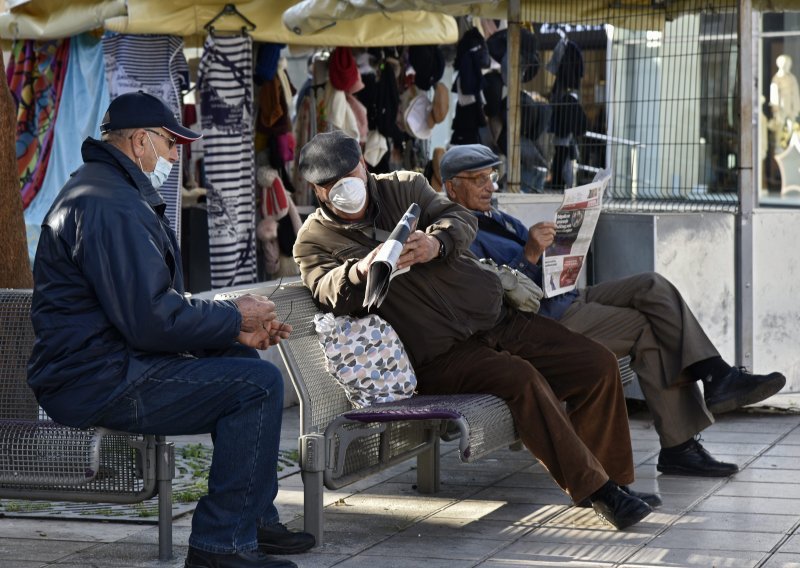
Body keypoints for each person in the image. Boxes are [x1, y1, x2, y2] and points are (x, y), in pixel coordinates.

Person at [293, 130, 658, 531]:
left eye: (350, 174)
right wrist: (359, 270)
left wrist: (437, 244)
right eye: (331, 185)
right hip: (439, 355)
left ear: (363, 163)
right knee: (521, 379)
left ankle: (616, 481)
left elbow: (462, 218)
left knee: (597, 363)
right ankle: (598, 492)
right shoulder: (313, 239)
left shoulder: (403, 185)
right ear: (318, 190)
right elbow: (326, 289)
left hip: (494, 317)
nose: (345, 188)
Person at [27, 91, 314, 568]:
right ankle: (220, 547)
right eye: (171, 143)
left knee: (244, 364)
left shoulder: (110, 190)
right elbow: (150, 321)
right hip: (94, 380)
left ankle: (251, 519)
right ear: (141, 141)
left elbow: (149, 309)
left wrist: (230, 334)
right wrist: (234, 317)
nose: (177, 155)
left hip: (109, 365)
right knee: (257, 386)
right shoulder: (109, 205)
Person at [440, 143, 787, 478]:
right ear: (452, 188)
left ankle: (715, 375)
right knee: (647, 329)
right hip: (545, 321)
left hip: (564, 294)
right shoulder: (459, 233)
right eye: (478, 179)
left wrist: (563, 248)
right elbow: (494, 295)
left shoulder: (496, 217)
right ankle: (682, 441)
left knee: (653, 285)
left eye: (491, 177)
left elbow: (536, 270)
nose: (489, 186)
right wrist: (530, 254)